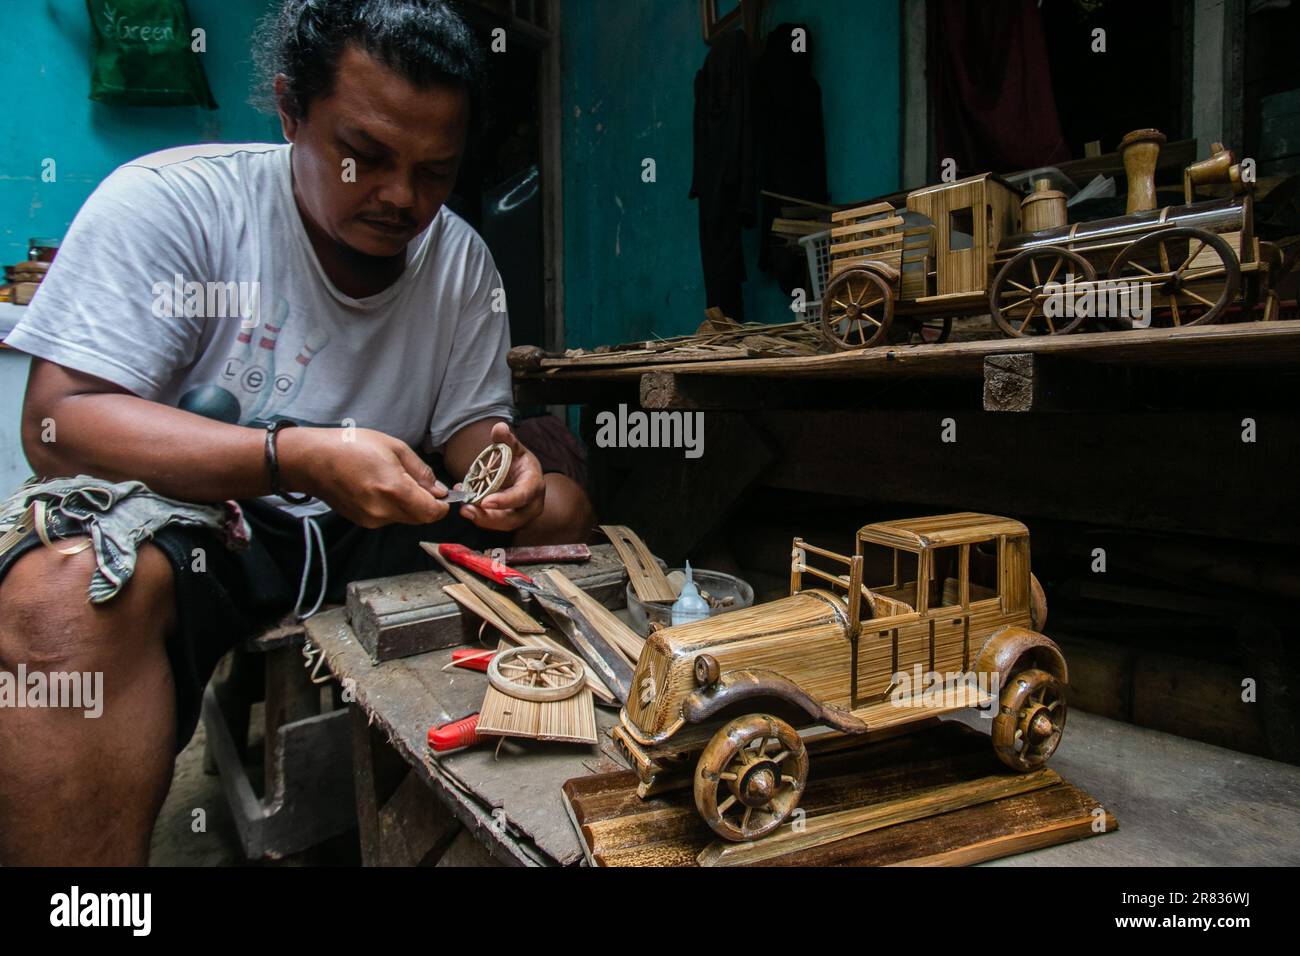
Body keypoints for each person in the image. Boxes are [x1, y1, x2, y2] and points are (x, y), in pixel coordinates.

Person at [0, 0, 592, 865]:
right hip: (209, 522)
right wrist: (291, 456)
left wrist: (501, 465)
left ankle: (466, 780)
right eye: (366, 157)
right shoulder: (177, 204)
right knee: (59, 603)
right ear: (288, 110)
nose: (400, 197)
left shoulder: (459, 257)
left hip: (376, 517)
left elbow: (470, 424)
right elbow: (57, 422)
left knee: (562, 508)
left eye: (435, 171)